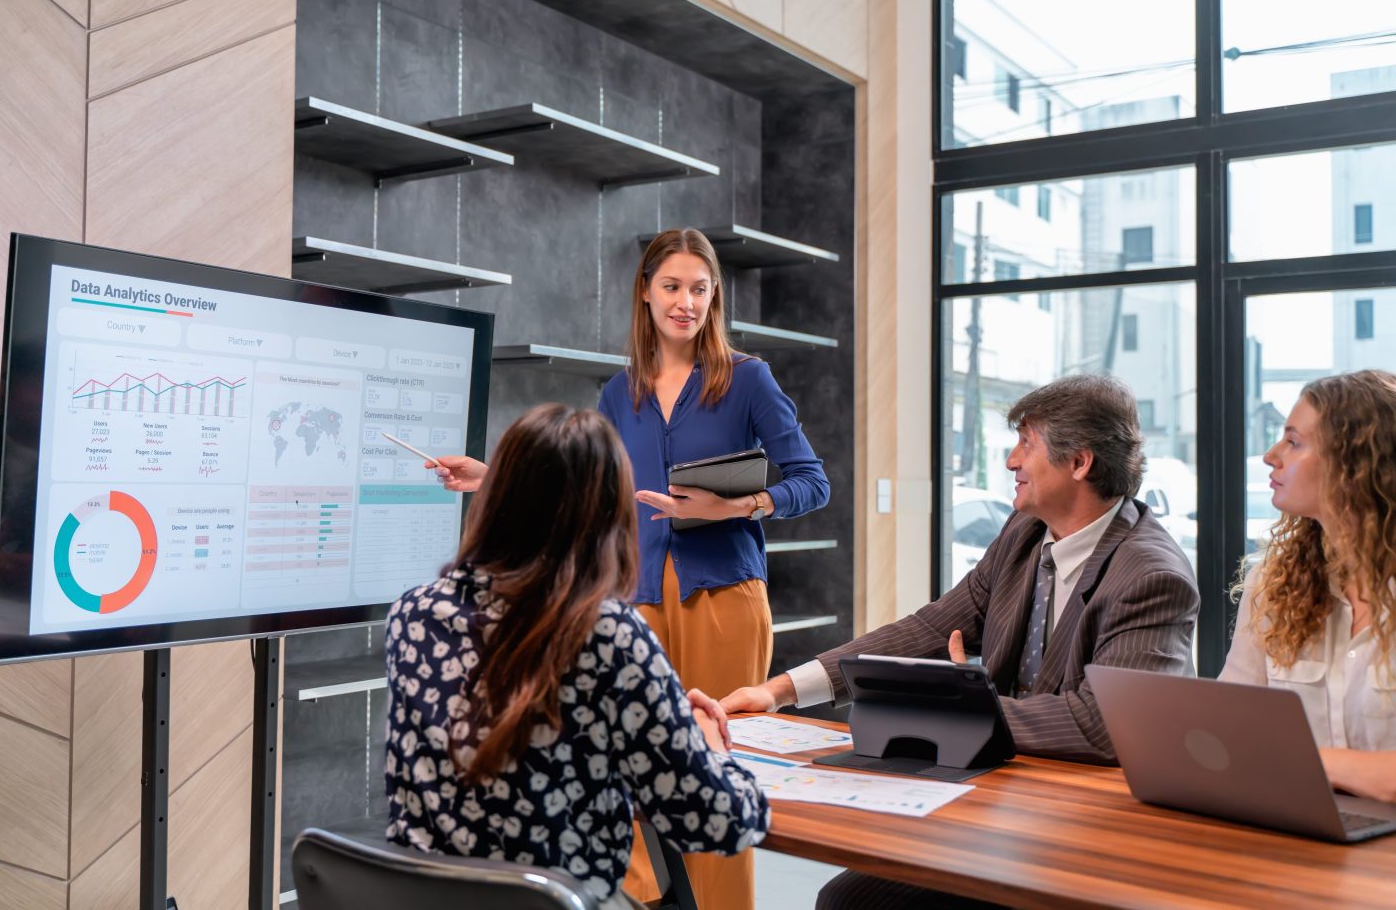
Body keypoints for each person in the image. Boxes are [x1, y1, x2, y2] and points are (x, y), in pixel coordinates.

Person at [427, 227, 830, 909]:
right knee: (627, 769)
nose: (686, 302)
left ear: (714, 298)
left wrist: (742, 506)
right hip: (633, 600)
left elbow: (811, 483)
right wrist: (491, 477)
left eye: (700, 289)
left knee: (711, 768)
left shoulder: (747, 380)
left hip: (725, 597)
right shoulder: (621, 393)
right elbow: (577, 482)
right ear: (645, 293)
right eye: (672, 287)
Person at [721, 373, 1199, 910]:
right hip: (1003, 801)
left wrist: (963, 703)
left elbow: (1104, 724)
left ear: (1079, 463)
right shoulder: (1023, 536)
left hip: (1086, 832)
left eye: (1026, 443)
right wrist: (782, 690)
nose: (1011, 461)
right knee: (846, 899)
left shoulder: (1152, 576)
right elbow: (929, 629)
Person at [385, 403, 771, 910]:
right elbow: (719, 821)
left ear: (495, 499)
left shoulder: (413, 615)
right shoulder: (607, 634)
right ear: (607, 516)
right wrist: (710, 746)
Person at [1220, 369, 1396, 804]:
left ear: (1354, 465)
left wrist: (1315, 761)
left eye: (1293, 442)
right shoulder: (1274, 580)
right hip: (1301, 830)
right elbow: (1228, 719)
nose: (1270, 456)